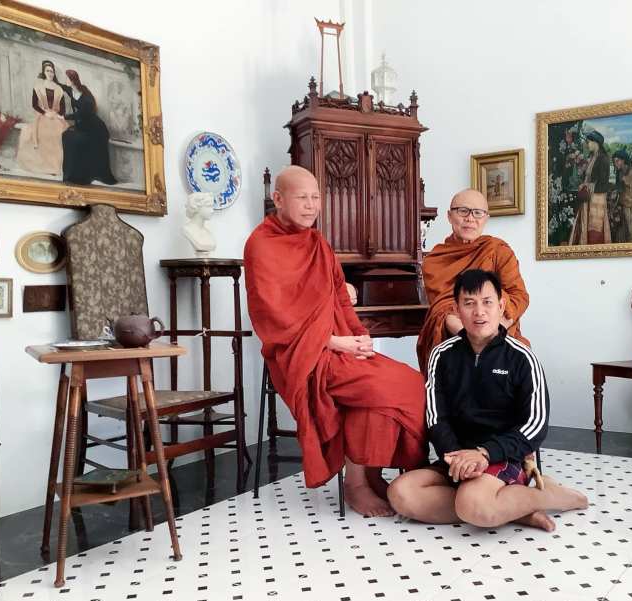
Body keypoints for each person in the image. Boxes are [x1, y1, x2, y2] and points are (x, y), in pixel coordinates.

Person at [243, 165, 428, 517]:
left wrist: (358, 336)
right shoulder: (261, 246)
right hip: (299, 355)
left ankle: (368, 478)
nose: (311, 206)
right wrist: (335, 343)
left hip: (337, 344)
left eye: (316, 198)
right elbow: (274, 318)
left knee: (410, 382)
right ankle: (355, 484)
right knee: (382, 387)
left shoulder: (317, 242)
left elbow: (338, 300)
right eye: (302, 198)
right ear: (278, 199)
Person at [389, 269, 588, 530]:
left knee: (473, 504)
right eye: (469, 303)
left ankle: (551, 495)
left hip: (502, 456)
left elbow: (535, 424)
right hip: (458, 457)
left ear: (501, 307)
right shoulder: (442, 355)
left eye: (487, 302)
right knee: (401, 494)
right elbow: (436, 417)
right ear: (457, 309)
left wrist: (485, 453)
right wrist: (455, 457)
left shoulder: (521, 357)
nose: (479, 312)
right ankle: (514, 510)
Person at [417, 188, 529, 375]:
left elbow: (519, 297)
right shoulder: (435, 260)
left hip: (499, 335)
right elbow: (441, 311)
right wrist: (470, 337)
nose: (470, 218)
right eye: (463, 211)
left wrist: (494, 334)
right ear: (450, 216)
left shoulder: (498, 251)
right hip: (454, 337)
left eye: (478, 213)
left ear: (486, 218)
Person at [61, 69, 117, 185]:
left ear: (72, 80)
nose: (65, 80)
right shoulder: (71, 91)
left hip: (95, 129)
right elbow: (61, 85)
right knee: (67, 136)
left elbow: (83, 113)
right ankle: (71, 174)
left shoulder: (85, 95)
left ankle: (80, 176)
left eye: (66, 78)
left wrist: (65, 117)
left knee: (75, 140)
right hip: (84, 126)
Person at [16, 60, 68, 175]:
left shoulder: (59, 89)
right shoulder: (38, 86)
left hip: (55, 115)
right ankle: (46, 166)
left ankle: (56, 166)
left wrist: (60, 115)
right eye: (48, 71)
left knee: (60, 133)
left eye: (52, 71)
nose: (50, 73)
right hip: (42, 115)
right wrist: (45, 113)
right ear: (44, 72)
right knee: (43, 133)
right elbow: (34, 104)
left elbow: (63, 107)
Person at [569, 130, 611, 245]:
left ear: (596, 143)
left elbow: (603, 183)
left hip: (597, 198)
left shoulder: (603, 159)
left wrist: (588, 185)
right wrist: (584, 184)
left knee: (595, 228)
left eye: (589, 142)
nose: (587, 145)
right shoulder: (592, 157)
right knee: (585, 225)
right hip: (588, 198)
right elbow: (588, 177)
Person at [182, 192, 216, 256]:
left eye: (212, 207)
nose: (212, 211)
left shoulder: (208, 233)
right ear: (197, 208)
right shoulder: (187, 230)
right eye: (208, 206)